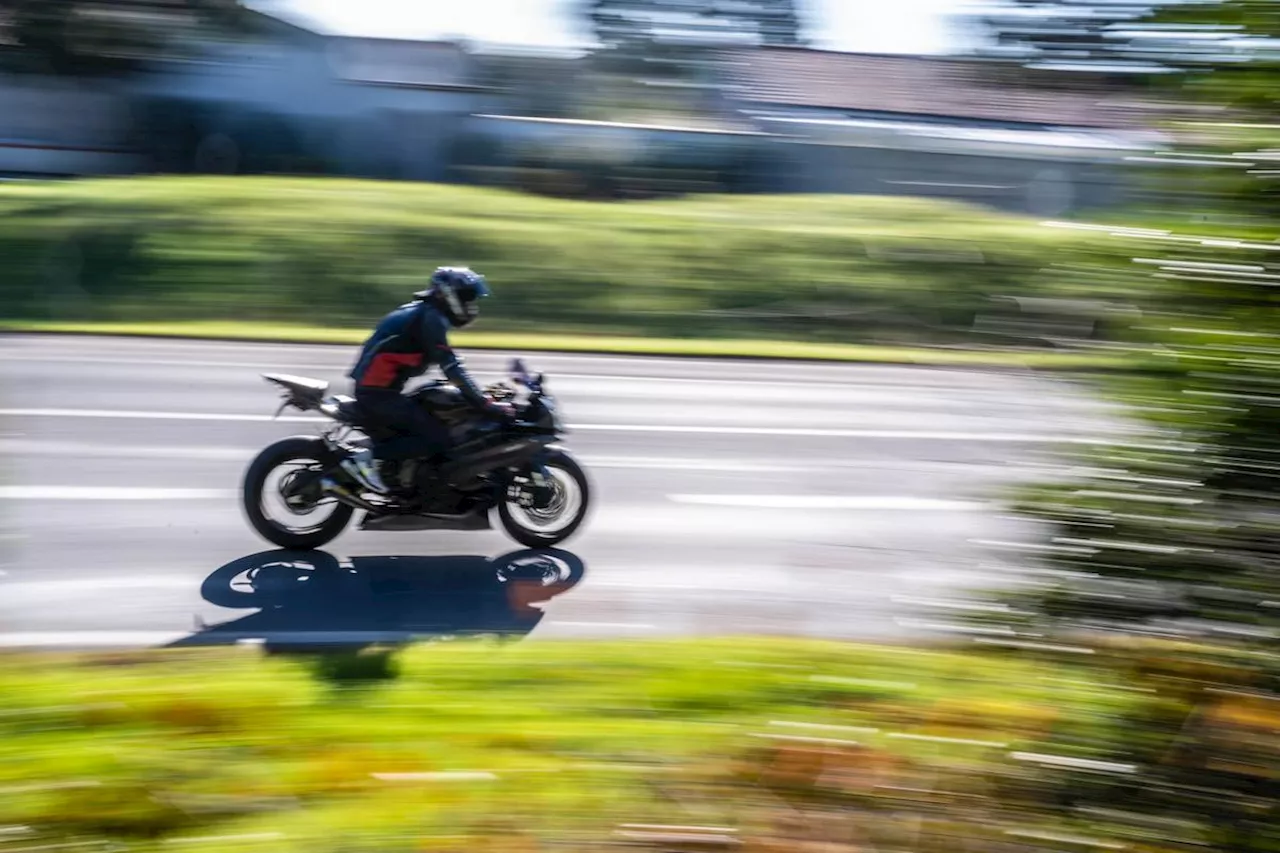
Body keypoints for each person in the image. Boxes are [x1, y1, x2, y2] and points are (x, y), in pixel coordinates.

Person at [340, 266, 514, 495]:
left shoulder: (425, 313)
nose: (470, 305)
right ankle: (363, 459)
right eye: (465, 297)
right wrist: (484, 403)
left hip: (380, 390)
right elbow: (451, 366)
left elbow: (448, 369)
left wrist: (477, 393)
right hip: (376, 394)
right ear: (445, 294)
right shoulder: (430, 319)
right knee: (436, 438)